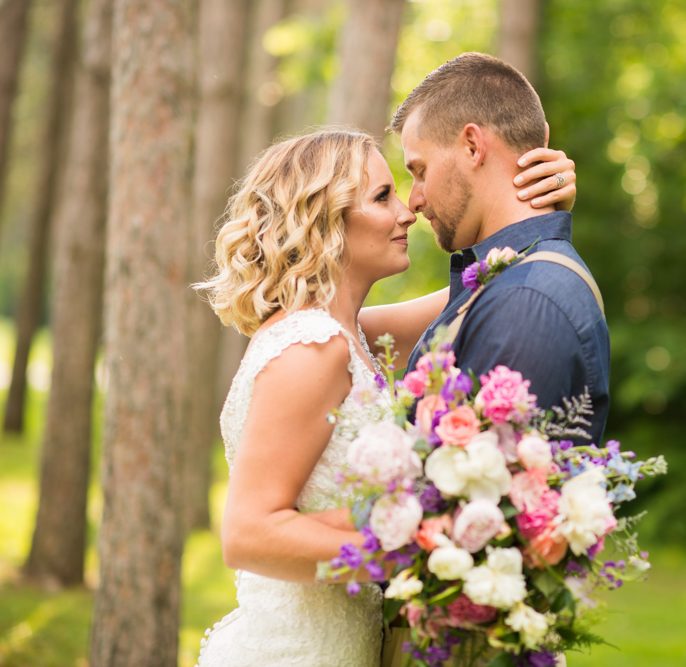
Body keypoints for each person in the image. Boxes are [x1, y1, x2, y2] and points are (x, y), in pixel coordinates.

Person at [193, 129, 577, 666]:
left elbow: (487, 283)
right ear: (322, 218)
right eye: (381, 197)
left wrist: (537, 208)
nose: (407, 212)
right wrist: (422, 546)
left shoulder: (346, 334)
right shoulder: (313, 350)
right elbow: (248, 535)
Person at [393, 52, 611, 445]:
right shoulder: (508, 281)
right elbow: (350, 332)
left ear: (473, 146)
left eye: (420, 170)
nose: (414, 200)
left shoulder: (526, 302)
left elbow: (480, 492)